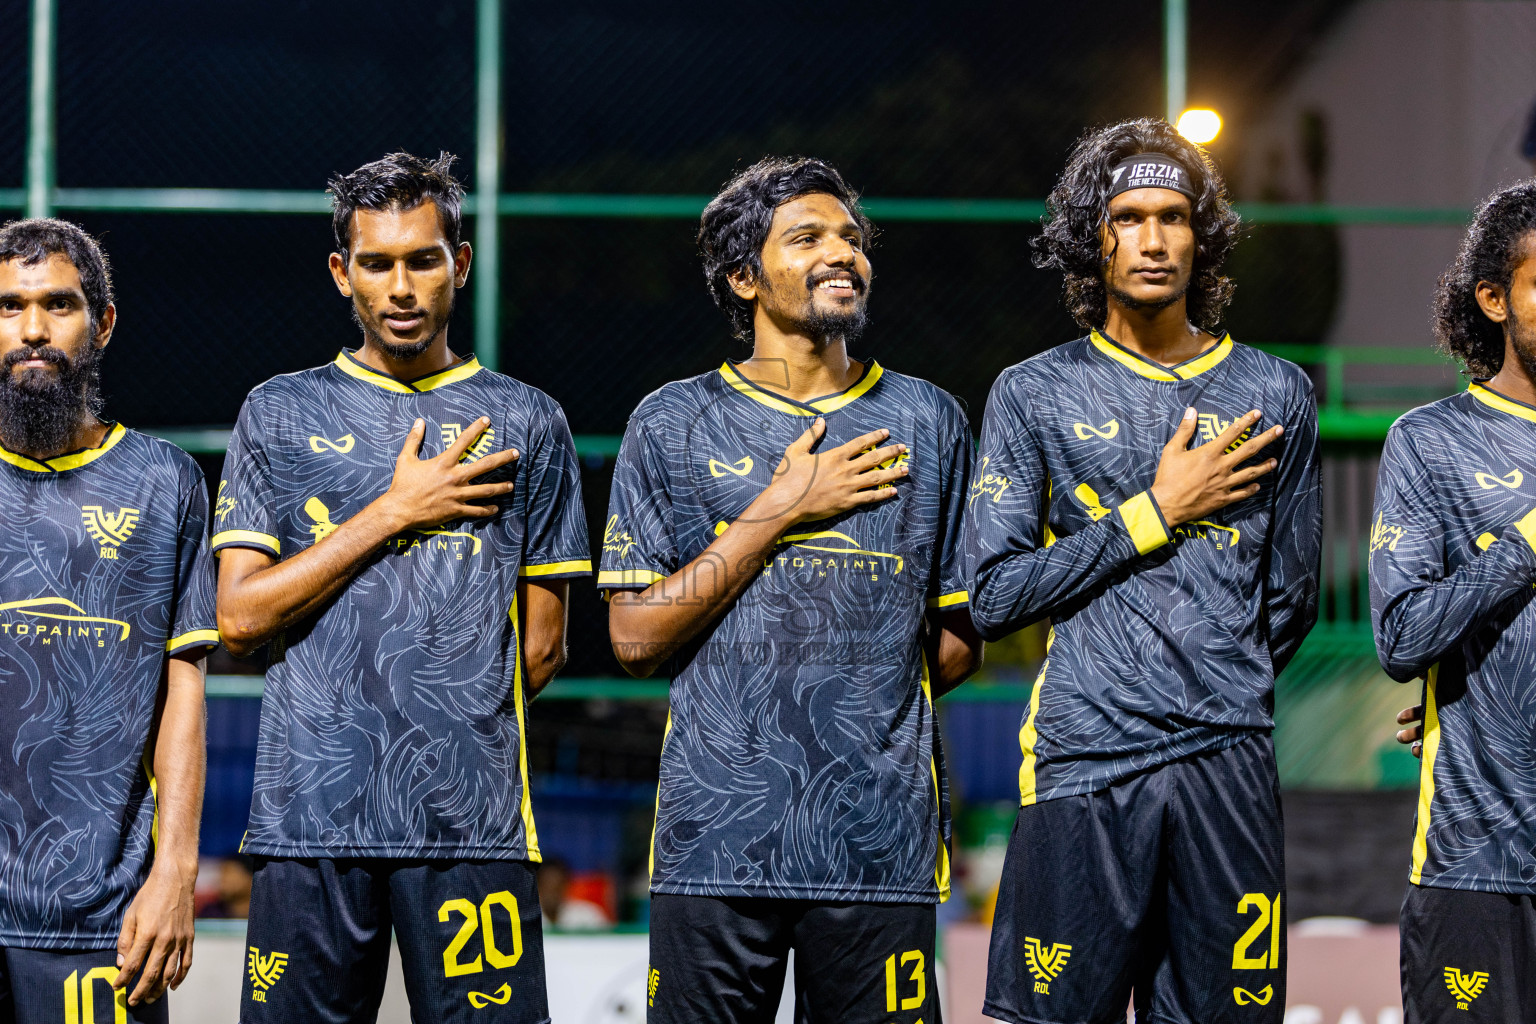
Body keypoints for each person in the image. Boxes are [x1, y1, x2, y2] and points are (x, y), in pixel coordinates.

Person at [599, 156, 982, 1023]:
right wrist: (781, 508)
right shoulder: (673, 420)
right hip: (714, 845)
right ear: (744, 277)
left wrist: (864, 691)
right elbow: (631, 638)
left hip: (879, 848)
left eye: (851, 238)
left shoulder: (930, 420)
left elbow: (956, 641)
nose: (840, 253)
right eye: (806, 237)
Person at [213, 152, 590, 1023]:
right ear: (343, 273)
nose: (402, 285)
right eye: (377, 263)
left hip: (474, 830)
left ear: (458, 262)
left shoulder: (528, 419)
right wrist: (394, 512)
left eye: (423, 258)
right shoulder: (280, 410)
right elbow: (237, 618)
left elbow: (542, 648)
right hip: (308, 825)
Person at [963, 118, 1321, 1023]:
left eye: (1174, 217)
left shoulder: (1277, 392)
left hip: (1228, 763)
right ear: (1095, 237)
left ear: (1204, 236)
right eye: (1128, 218)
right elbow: (997, 594)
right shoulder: (1032, 391)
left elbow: (1291, 599)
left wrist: (1211, 680)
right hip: (1087, 758)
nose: (1154, 240)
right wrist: (1154, 514)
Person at [0, 219, 217, 1021]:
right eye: (8, 306)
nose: (31, 330)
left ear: (104, 322)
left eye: (57, 304)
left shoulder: (165, 484)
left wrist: (176, 873)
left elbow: (184, 695)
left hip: (100, 916)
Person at [1370, 180, 1536, 1021]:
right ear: (1494, 298)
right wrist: (1526, 547)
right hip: (1476, 866)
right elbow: (1401, 637)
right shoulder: (1429, 444)